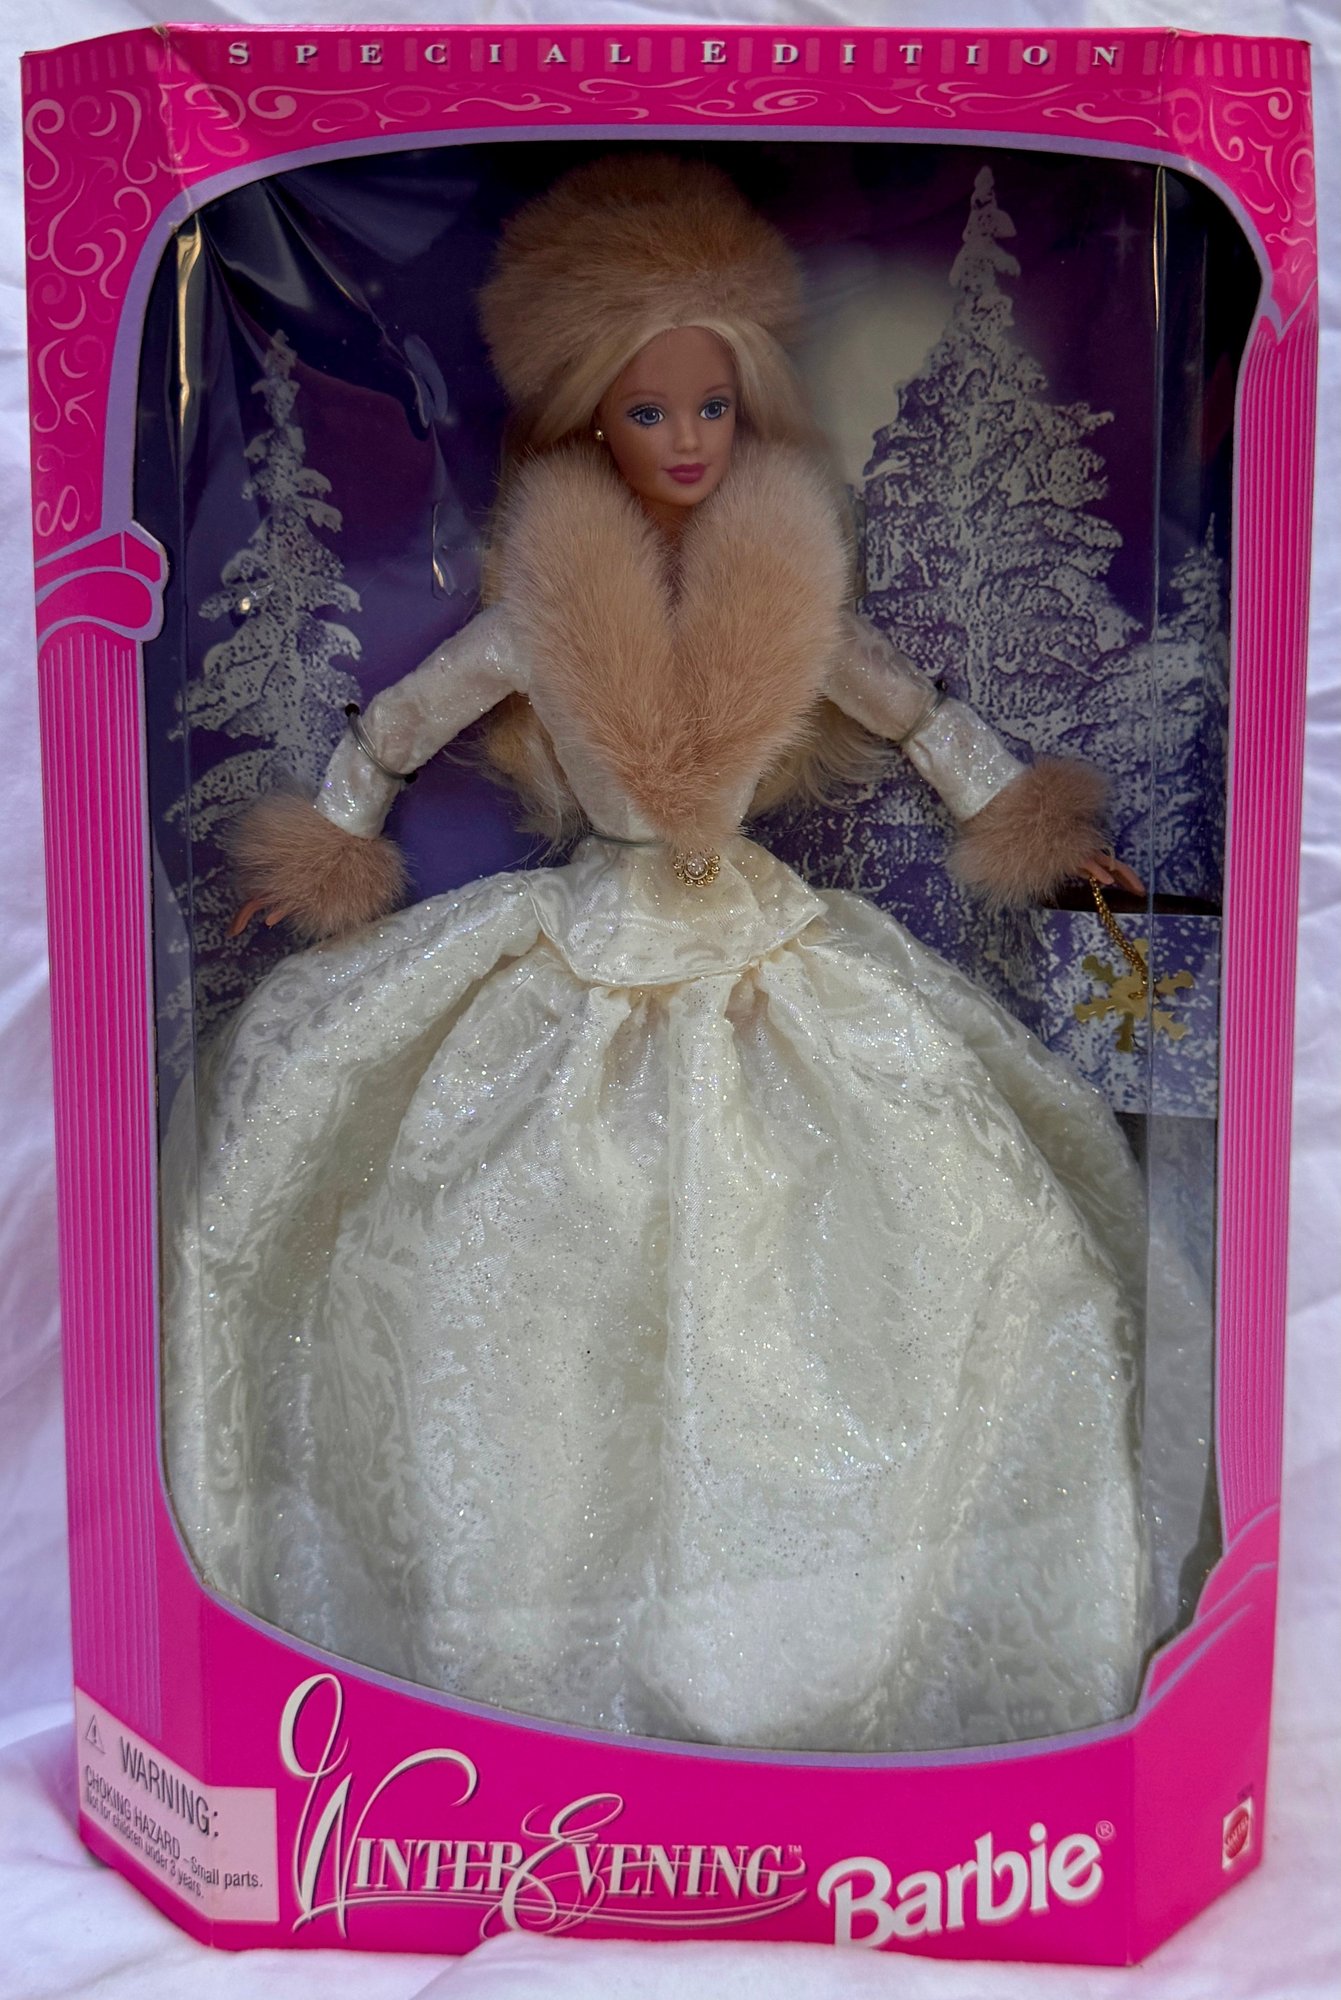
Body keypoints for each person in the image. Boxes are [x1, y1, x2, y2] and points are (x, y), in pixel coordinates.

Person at [164, 155, 1150, 1754]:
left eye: (710, 407)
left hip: (760, 938)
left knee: (927, 1226)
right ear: (586, 420)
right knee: (517, 1275)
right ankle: (522, 1660)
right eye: (647, 411)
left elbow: (919, 720)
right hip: (588, 933)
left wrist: (1040, 831)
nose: (686, 440)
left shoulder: (790, 589)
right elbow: (395, 728)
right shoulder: (542, 609)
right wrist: (323, 852)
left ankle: (839, 1630)